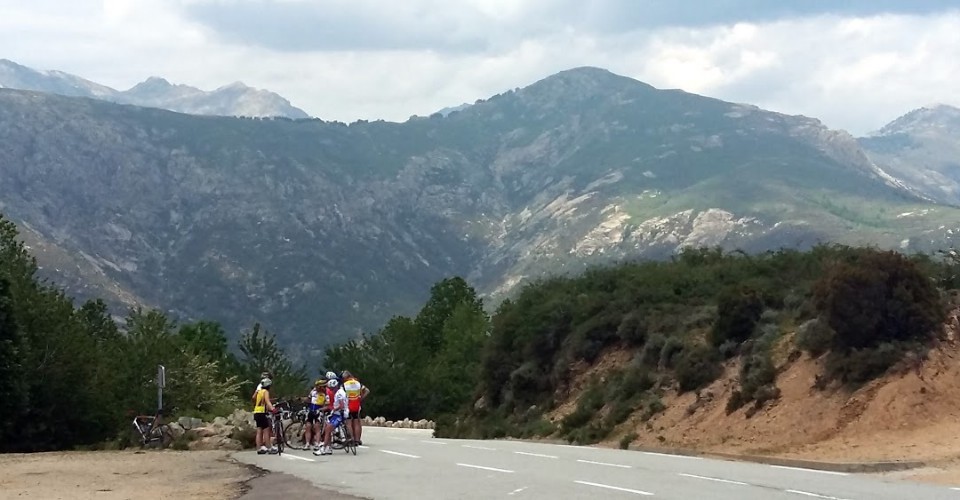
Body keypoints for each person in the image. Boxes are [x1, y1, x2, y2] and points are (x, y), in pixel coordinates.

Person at [314, 378, 347, 456]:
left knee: (328, 429)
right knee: (327, 428)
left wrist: (333, 410)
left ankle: (323, 449)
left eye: (331, 388)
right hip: (336, 413)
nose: (330, 390)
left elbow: (341, 405)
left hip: (340, 414)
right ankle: (328, 447)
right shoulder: (336, 392)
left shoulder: (339, 393)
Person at [341, 370, 370, 446]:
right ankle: (357, 440)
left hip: (348, 405)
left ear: (345, 377)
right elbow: (367, 391)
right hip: (356, 404)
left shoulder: (344, 385)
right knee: (357, 422)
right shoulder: (358, 383)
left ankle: (351, 439)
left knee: (349, 423)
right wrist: (361, 398)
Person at [253, 377, 278, 455]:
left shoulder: (259, 391)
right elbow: (267, 402)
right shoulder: (265, 392)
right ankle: (269, 447)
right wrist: (273, 409)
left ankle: (258, 448)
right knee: (266, 430)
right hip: (262, 413)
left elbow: (253, 398)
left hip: (256, 411)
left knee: (259, 430)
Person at [304, 379, 326, 451]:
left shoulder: (325, 393)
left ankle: (317, 443)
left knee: (317, 427)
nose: (317, 388)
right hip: (311, 410)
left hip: (319, 411)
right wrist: (305, 401)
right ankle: (307, 444)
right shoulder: (313, 392)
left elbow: (327, 405)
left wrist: (321, 410)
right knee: (308, 426)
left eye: (319, 387)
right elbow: (308, 399)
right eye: (316, 387)